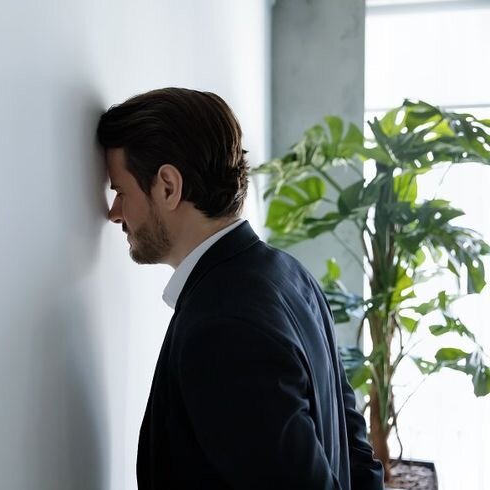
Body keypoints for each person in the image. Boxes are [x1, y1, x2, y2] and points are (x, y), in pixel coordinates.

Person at [96, 88, 384, 489]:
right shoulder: (289, 274)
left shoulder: (222, 327)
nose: (113, 213)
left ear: (167, 186)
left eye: (120, 192)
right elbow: (358, 455)